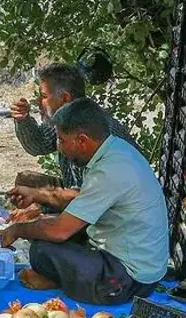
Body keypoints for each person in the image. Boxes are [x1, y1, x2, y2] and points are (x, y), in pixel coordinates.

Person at [0, 98, 168, 305]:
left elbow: (59, 231)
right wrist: (37, 194)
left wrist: (17, 230)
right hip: (137, 264)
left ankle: (61, 281)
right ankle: (64, 278)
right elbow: (82, 198)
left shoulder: (111, 170)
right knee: (46, 226)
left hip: (129, 280)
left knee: (41, 248)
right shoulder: (116, 150)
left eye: (62, 140)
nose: (59, 147)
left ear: (82, 140)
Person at [8, 62, 141, 221]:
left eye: (44, 96)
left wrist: (42, 207)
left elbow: (88, 199)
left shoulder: (91, 128)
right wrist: (23, 120)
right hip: (83, 194)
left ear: (65, 98)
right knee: (27, 181)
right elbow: (38, 145)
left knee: (41, 227)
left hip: (113, 213)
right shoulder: (67, 120)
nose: (38, 102)